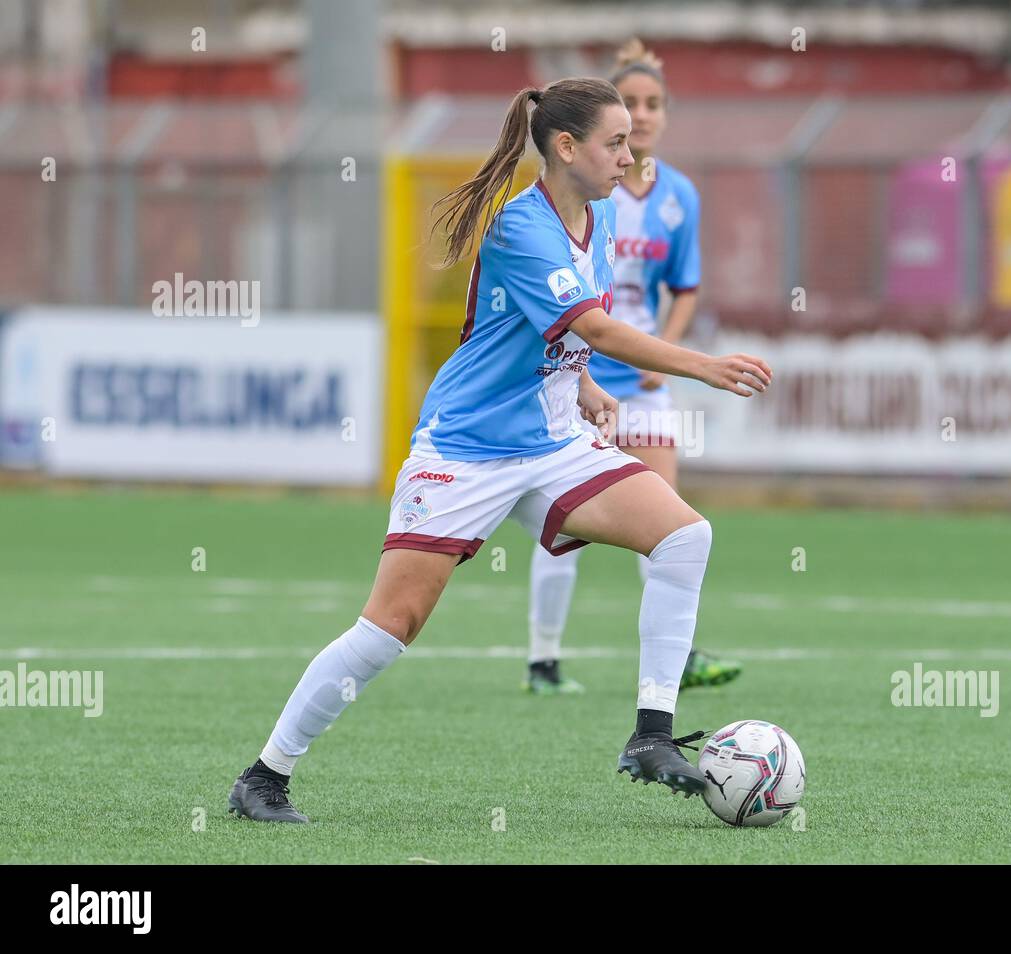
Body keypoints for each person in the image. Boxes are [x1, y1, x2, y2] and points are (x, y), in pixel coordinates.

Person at [227, 76, 773, 822]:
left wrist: (580, 386)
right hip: (467, 451)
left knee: (684, 536)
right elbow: (599, 330)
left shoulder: (599, 216)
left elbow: (552, 330)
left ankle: (651, 735)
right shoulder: (523, 227)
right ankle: (265, 775)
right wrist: (702, 364)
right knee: (391, 628)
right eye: (614, 142)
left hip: (551, 445)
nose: (629, 153)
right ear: (566, 147)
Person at [524, 39, 743, 696]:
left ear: (665, 115)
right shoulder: (588, 191)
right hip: (576, 379)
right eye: (630, 105)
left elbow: (686, 286)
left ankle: (679, 656)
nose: (642, 118)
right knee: (567, 529)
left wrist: (666, 360)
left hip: (643, 383)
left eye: (653, 105)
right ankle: (544, 659)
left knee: (668, 518)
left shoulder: (678, 196)